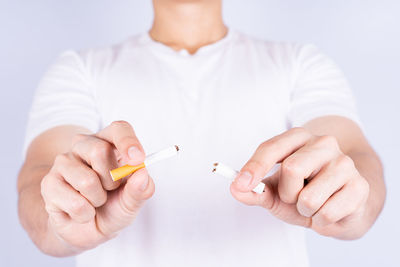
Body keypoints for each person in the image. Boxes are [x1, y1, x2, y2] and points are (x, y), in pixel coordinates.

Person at [17, 0, 386, 266]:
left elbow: (356, 158)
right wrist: (62, 219)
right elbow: (38, 186)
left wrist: (350, 202)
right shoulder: (79, 70)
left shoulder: (301, 63)